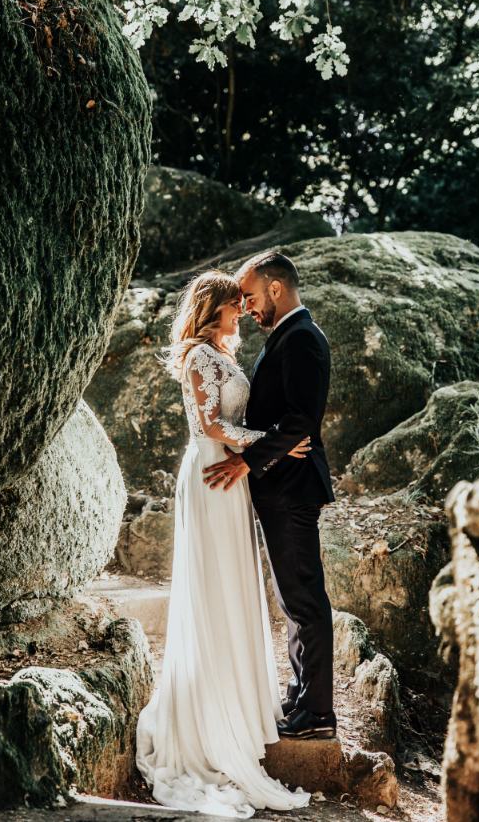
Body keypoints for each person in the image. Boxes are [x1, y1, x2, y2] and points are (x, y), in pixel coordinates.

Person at [136, 270, 311, 818]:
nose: (244, 313)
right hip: (212, 473)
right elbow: (212, 426)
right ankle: (209, 717)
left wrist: (257, 451)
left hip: (232, 476)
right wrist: (274, 444)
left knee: (233, 582)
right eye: (237, 305)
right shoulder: (198, 356)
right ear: (215, 309)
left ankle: (238, 701)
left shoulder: (222, 354)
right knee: (214, 584)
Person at [203, 251, 336, 740]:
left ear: (275, 288)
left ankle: (318, 714)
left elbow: (301, 421)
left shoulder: (302, 338)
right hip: (281, 485)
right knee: (292, 599)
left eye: (251, 296)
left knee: (304, 599)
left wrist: (246, 460)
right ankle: (302, 695)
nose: (246, 307)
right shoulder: (285, 335)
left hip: (293, 488)